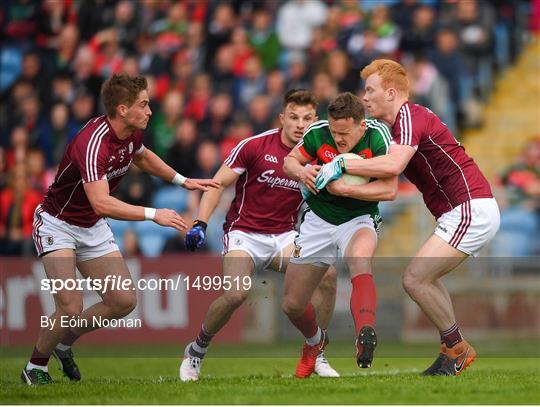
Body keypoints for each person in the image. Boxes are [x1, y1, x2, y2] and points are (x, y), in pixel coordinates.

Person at [22, 73, 219, 386]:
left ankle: (63, 341)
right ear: (123, 110)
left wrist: (183, 181)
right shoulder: (92, 143)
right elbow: (101, 202)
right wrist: (154, 214)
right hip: (57, 224)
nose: (150, 110)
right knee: (71, 305)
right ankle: (36, 366)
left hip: (90, 226)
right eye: (144, 104)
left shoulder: (131, 133)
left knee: (123, 300)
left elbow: (143, 158)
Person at [315, 59, 500, 376]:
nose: (365, 97)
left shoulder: (410, 116)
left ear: (390, 92)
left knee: (414, 279)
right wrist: (341, 185)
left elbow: (391, 167)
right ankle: (451, 350)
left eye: (370, 90)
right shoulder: (397, 126)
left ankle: (456, 348)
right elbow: (389, 189)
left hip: (470, 207)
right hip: (461, 210)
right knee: (425, 278)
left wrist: (343, 165)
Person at [180, 89, 339, 381]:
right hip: (245, 234)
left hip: (285, 236)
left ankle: (317, 352)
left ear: (315, 120)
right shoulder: (253, 146)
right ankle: (196, 350)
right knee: (236, 294)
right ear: (282, 118)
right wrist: (201, 222)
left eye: (306, 118)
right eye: (293, 117)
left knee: (327, 275)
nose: (300, 124)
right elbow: (217, 184)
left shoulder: (320, 153)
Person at [282, 92, 397, 378]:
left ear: (362, 125)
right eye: (334, 132)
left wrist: (346, 189)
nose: (338, 139)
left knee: (360, 258)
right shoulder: (318, 132)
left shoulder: (379, 136)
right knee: (292, 304)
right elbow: (289, 161)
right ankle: (315, 341)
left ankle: (365, 332)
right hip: (318, 220)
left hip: (359, 217)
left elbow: (389, 190)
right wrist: (302, 172)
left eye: (344, 133)